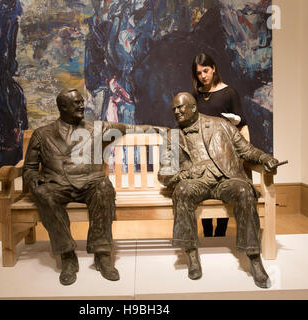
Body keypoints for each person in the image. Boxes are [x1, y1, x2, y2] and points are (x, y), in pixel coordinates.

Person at [23, 88, 154, 286]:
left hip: (91, 181)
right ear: (62, 107)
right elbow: (30, 168)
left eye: (81, 102)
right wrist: (33, 178)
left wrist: (163, 130)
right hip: (57, 184)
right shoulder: (42, 134)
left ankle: (102, 255)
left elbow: (132, 128)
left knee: (104, 188)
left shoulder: (97, 128)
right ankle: (67, 256)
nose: (82, 105)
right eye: (76, 103)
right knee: (43, 193)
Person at [158, 92, 279, 288]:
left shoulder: (220, 125)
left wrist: (266, 158)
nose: (177, 112)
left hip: (225, 178)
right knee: (182, 192)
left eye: (180, 107)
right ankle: (191, 255)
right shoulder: (173, 136)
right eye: (174, 109)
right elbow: (164, 174)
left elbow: (246, 150)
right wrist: (185, 173)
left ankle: (254, 258)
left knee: (244, 191)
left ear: (193, 108)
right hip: (196, 182)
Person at [191, 53, 247, 238]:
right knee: (206, 192)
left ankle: (221, 233)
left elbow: (241, 123)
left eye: (206, 71)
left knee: (224, 191)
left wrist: (243, 152)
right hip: (203, 154)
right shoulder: (196, 96)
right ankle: (208, 234)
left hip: (224, 152)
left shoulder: (229, 92)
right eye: (199, 73)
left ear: (213, 68)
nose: (203, 76)